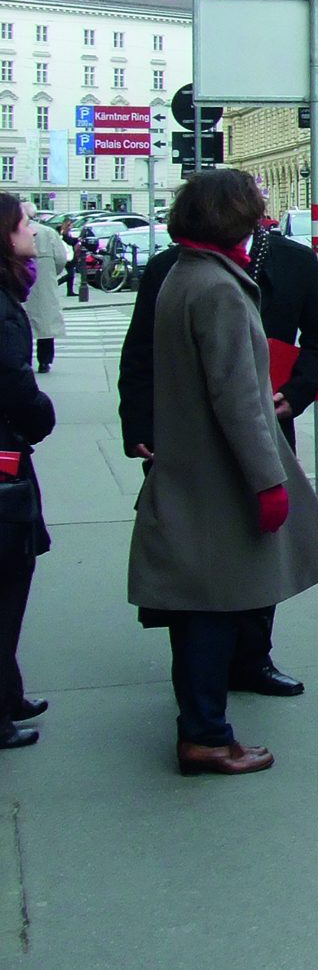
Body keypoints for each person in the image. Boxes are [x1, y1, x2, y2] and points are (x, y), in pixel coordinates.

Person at [126, 169, 318, 777]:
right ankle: (206, 735)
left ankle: (205, 726)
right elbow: (239, 397)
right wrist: (268, 480)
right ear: (234, 215)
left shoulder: (186, 272)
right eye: (256, 202)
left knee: (203, 604)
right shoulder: (220, 287)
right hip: (221, 471)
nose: (265, 208)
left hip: (192, 465)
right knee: (212, 608)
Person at [0, 195, 57, 749]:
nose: (33, 233)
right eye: (23, 226)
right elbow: (15, 387)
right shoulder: (2, 308)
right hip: (4, 467)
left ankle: (8, 692)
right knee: (8, 582)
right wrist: (42, 415)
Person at [26, 219, 68, 373]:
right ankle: (45, 361)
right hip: (44, 280)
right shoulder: (48, 232)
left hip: (21, 282)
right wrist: (52, 272)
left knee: (23, 324)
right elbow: (61, 258)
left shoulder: (13, 229)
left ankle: (25, 360)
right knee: (46, 323)